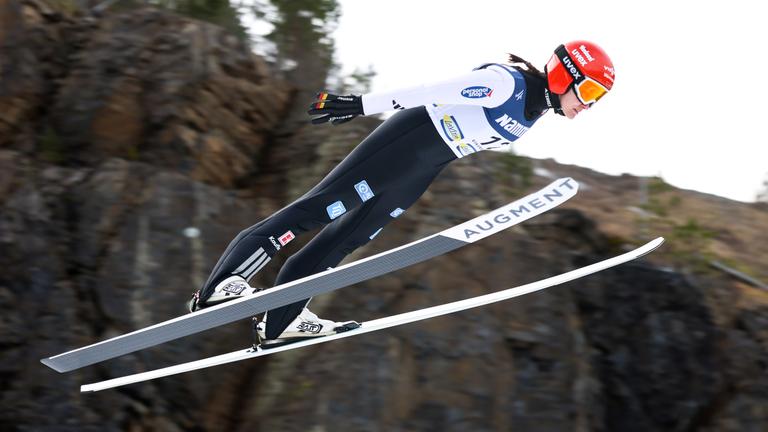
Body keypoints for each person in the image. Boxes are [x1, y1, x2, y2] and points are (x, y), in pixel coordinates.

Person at [187, 40, 615, 346]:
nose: (589, 105)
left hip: (425, 165)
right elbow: (431, 92)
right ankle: (223, 283)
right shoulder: (507, 84)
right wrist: (359, 104)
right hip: (407, 141)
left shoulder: (536, 109)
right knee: (319, 210)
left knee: (349, 237)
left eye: (598, 99)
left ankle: (283, 319)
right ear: (565, 75)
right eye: (590, 91)